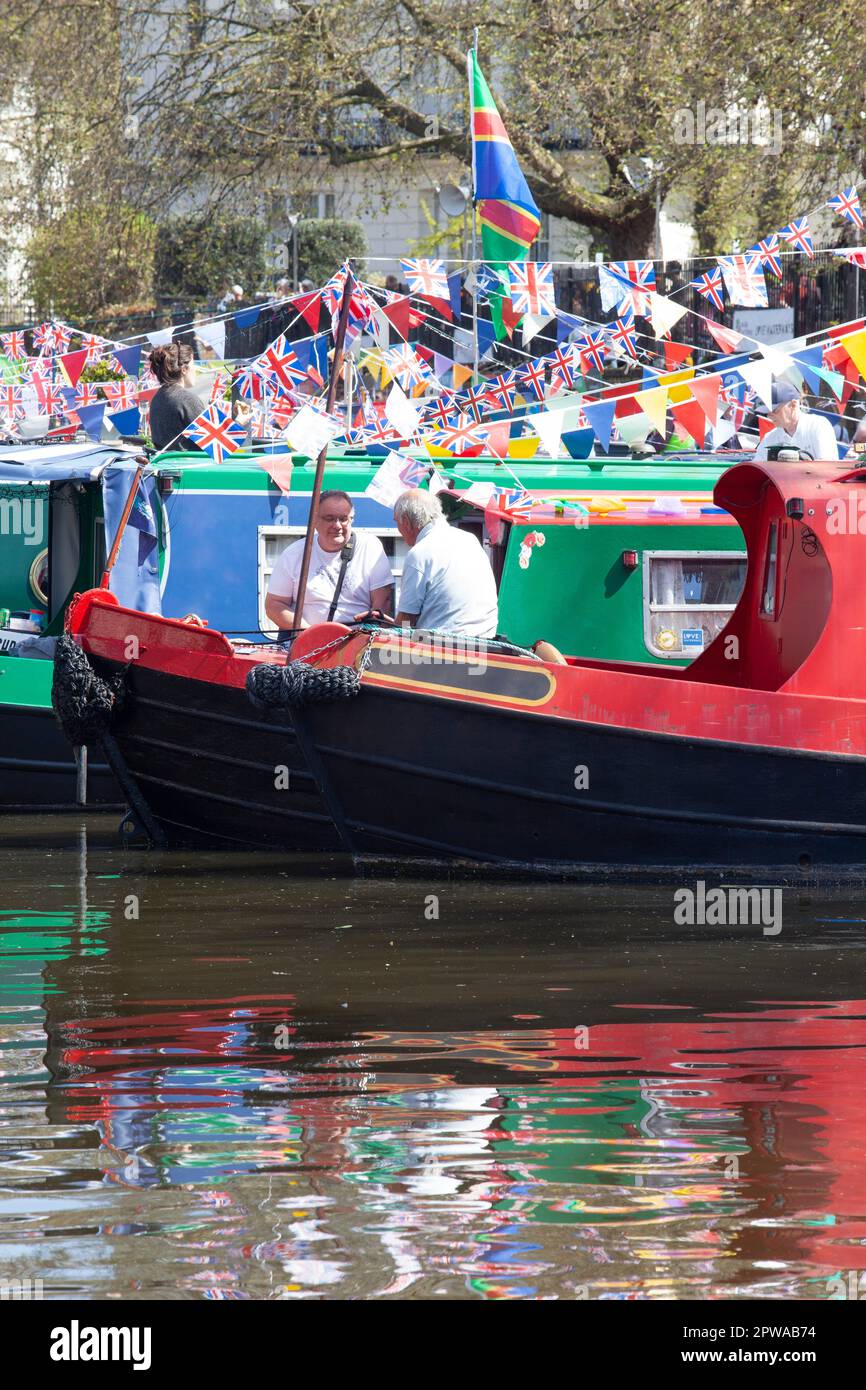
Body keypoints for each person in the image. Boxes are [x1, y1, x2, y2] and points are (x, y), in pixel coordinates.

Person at [265, 490, 393, 632]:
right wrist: (310, 633)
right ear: (315, 521)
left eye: (343, 519)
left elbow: (383, 602)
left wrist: (370, 625)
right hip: (307, 644)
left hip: (358, 643)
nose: (337, 525)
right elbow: (274, 605)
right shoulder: (294, 554)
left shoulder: (370, 547)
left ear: (352, 520)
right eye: (329, 518)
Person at [393, 489, 498, 637]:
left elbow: (406, 621)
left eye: (397, 522)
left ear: (406, 522)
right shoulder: (470, 540)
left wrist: (391, 631)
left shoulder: (419, 554)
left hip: (443, 649)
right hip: (485, 640)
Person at [753, 382, 840, 461]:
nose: (769, 416)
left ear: (793, 404)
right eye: (767, 413)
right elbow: (756, 470)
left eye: (774, 411)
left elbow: (827, 466)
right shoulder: (770, 438)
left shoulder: (818, 426)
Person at [148, 342, 205, 451]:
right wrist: (240, 421)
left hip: (165, 465)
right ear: (184, 369)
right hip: (190, 466)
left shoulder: (158, 396)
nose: (196, 369)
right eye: (193, 364)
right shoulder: (187, 400)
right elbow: (219, 446)